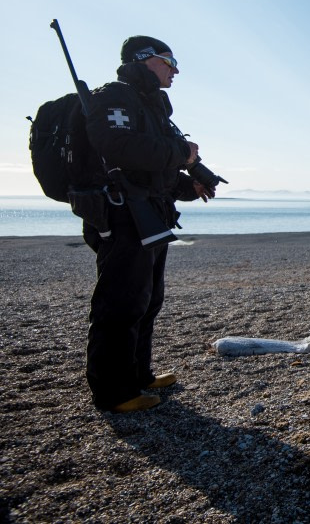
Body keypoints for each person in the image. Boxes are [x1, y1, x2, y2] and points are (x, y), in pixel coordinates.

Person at [83, 36, 214, 413]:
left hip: (149, 215)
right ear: (145, 60)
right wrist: (182, 153)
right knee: (120, 302)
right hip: (122, 214)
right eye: (169, 61)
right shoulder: (115, 96)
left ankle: (138, 375)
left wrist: (190, 186)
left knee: (146, 300)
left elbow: (153, 171)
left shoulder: (150, 105)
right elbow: (118, 148)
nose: (175, 70)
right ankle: (114, 392)